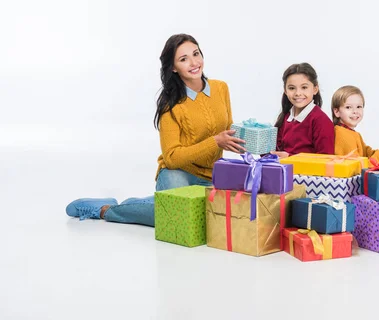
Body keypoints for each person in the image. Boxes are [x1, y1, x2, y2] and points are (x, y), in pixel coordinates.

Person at [65, 34, 245, 226]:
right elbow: (172, 157)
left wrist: (256, 142)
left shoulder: (221, 88)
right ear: (174, 68)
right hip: (178, 173)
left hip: (213, 176)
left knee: (212, 220)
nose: (194, 63)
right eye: (183, 59)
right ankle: (105, 210)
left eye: (196, 54)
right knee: (178, 220)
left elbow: (227, 129)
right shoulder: (171, 104)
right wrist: (215, 142)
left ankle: (145, 204)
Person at [271, 63, 334, 158]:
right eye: (292, 88)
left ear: (315, 89)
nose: (298, 93)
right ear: (285, 90)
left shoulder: (321, 121)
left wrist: (290, 158)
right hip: (283, 171)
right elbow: (275, 151)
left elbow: (325, 159)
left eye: (304, 87)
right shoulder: (286, 117)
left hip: (306, 173)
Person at [331, 85, 379, 162]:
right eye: (348, 107)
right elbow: (357, 168)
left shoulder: (352, 134)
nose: (355, 111)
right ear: (337, 112)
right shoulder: (343, 135)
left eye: (359, 107)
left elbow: (367, 155)